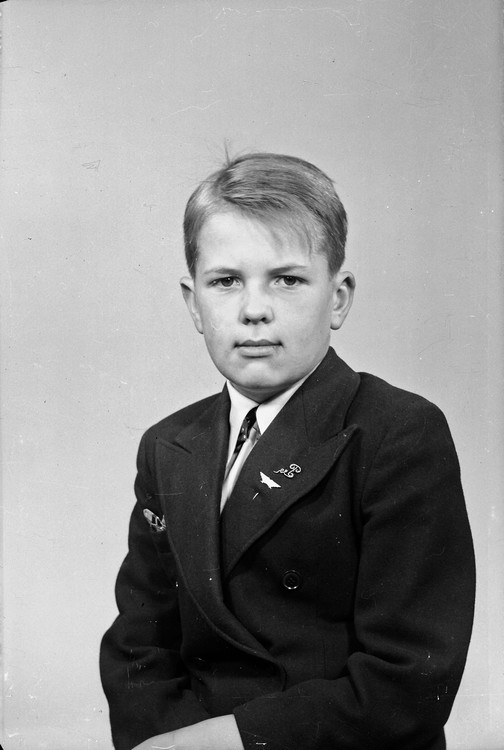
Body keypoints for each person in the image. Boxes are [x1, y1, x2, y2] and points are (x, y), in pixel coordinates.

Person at [100, 153, 475, 750]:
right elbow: (138, 646)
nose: (254, 309)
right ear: (193, 303)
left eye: (288, 279)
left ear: (339, 298)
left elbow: (408, 680)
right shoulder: (168, 445)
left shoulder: (396, 433)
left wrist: (225, 742)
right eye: (225, 281)